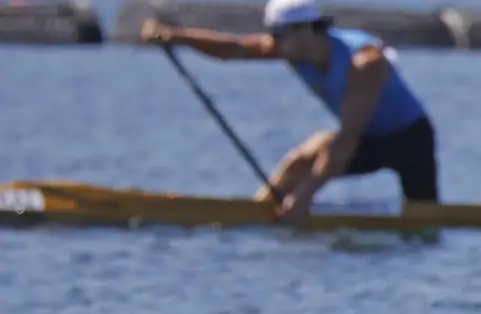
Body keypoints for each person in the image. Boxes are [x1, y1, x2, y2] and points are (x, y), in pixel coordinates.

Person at [140, 0, 438, 225]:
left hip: (409, 141)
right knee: (299, 161)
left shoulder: (364, 63)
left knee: (425, 220)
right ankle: (256, 213)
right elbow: (234, 49)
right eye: (273, 34)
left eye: (278, 34)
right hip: (366, 137)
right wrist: (174, 36)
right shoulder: (292, 48)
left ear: (307, 29)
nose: (272, 42)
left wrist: (306, 195)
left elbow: (347, 139)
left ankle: (291, 206)